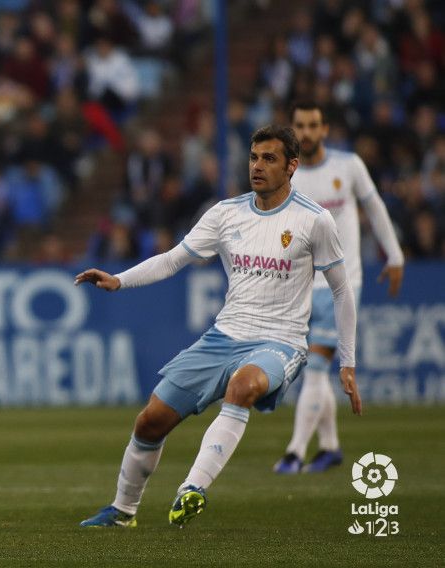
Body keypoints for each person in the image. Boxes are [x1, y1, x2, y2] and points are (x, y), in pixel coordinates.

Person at [76, 125, 360, 528]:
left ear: (292, 166)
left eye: (269, 158)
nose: (257, 166)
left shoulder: (314, 221)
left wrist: (347, 361)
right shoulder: (226, 213)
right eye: (254, 157)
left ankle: (192, 488)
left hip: (281, 343)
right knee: (150, 421)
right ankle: (123, 511)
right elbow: (173, 259)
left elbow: (342, 292)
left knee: (242, 387)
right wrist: (120, 279)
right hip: (223, 337)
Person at [273, 101, 403, 474]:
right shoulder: (287, 178)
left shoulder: (348, 166)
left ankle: (295, 453)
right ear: (292, 131)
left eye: (314, 125)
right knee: (311, 367)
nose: (307, 132)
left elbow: (375, 208)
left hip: (341, 283)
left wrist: (394, 255)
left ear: (325, 129)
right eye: (300, 126)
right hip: (298, 285)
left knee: (315, 367)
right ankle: (329, 447)